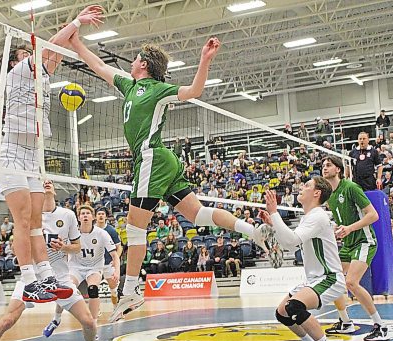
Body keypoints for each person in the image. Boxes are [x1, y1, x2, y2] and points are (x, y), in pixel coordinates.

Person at [69, 29, 269, 322]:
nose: (132, 61)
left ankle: (131, 290)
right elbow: (99, 66)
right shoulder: (128, 85)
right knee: (198, 215)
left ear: (144, 64)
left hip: (153, 158)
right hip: (163, 161)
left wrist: (204, 60)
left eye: (136, 58)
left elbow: (193, 91)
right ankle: (253, 231)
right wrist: (75, 42)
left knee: (135, 229)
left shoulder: (156, 89)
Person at [0, 6, 103, 302]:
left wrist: (75, 32)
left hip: (33, 153)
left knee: (35, 223)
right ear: (15, 61)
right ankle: (29, 280)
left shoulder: (39, 76)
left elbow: (55, 51)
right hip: (12, 150)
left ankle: (46, 278)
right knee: (22, 218)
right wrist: (76, 20)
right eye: (25, 53)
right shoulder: (17, 73)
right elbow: (49, 47)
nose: (31, 55)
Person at [0, 180, 114, 341]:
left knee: (88, 321)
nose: (46, 185)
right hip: (33, 278)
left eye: (49, 182)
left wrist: (63, 247)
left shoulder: (68, 215)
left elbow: (77, 247)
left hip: (60, 278)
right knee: (7, 320)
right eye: (41, 184)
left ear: (54, 189)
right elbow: (20, 246)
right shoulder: (27, 217)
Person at [258, 178, 346, 341]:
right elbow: (290, 243)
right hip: (315, 279)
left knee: (295, 306)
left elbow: (291, 240)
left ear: (317, 193)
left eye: (306, 185)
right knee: (282, 312)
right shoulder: (309, 217)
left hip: (329, 277)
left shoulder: (318, 216)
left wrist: (274, 211)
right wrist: (274, 223)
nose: (301, 187)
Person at [322, 156, 388, 341]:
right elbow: (343, 220)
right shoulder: (331, 196)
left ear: (338, 170)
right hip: (349, 243)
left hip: (364, 241)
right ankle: (345, 322)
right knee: (332, 278)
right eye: (323, 166)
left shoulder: (350, 188)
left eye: (328, 165)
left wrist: (349, 228)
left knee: (351, 283)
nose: (324, 168)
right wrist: (338, 228)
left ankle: (380, 326)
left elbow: (373, 215)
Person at [67, 206, 119, 324]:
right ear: (78, 217)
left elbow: (115, 254)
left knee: (94, 289)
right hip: (76, 267)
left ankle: (93, 322)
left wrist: (116, 271)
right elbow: (64, 250)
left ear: (93, 217)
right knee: (68, 288)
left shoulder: (103, 233)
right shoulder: (72, 232)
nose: (85, 215)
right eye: (82, 213)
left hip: (95, 267)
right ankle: (57, 318)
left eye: (88, 213)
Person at [95, 207, 122, 305]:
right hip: (95, 263)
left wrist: (116, 259)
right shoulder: (91, 229)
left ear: (106, 216)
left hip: (108, 263)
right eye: (99, 214)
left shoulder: (111, 230)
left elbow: (119, 247)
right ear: (95, 216)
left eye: (103, 214)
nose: (101, 215)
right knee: (93, 288)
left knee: (113, 290)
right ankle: (96, 310)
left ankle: (116, 309)